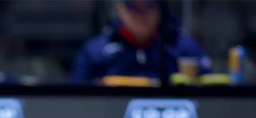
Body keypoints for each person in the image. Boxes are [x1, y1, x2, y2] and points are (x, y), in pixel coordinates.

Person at [70, 0, 211, 85]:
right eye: (133, 7)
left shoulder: (187, 49)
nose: (141, 14)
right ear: (120, 10)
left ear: (160, 10)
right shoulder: (94, 51)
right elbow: (74, 100)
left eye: (149, 6)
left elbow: (212, 96)